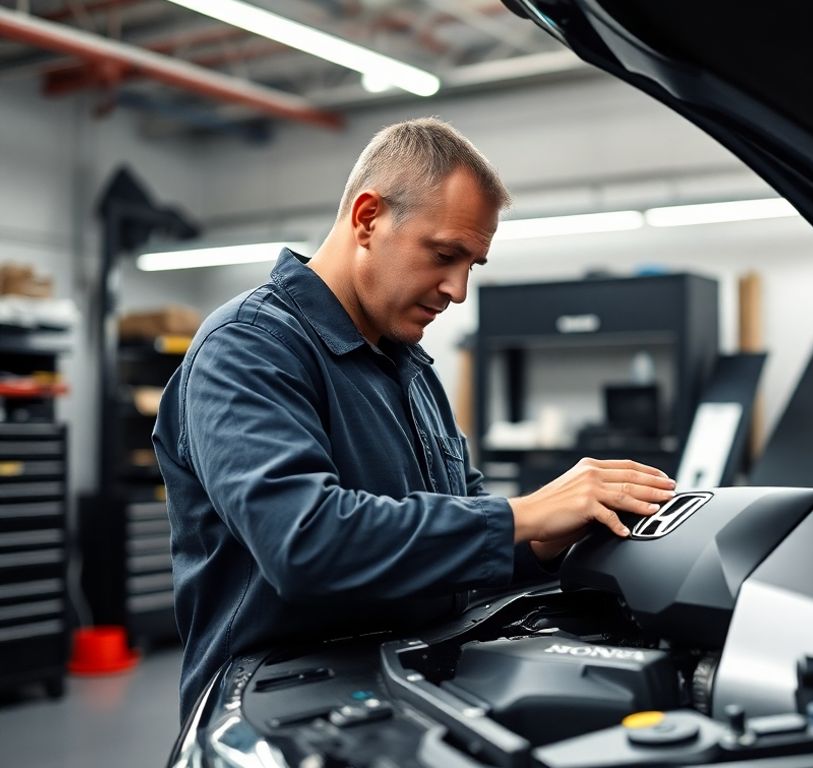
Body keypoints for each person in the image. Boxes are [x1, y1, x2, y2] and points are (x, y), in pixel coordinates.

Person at [153, 118, 675, 721]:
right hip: (280, 713)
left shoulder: (408, 367)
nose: (457, 290)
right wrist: (526, 511)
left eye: (472, 265)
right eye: (445, 254)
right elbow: (304, 542)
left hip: (401, 692)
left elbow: (454, 543)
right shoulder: (249, 347)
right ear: (368, 218)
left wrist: (542, 541)